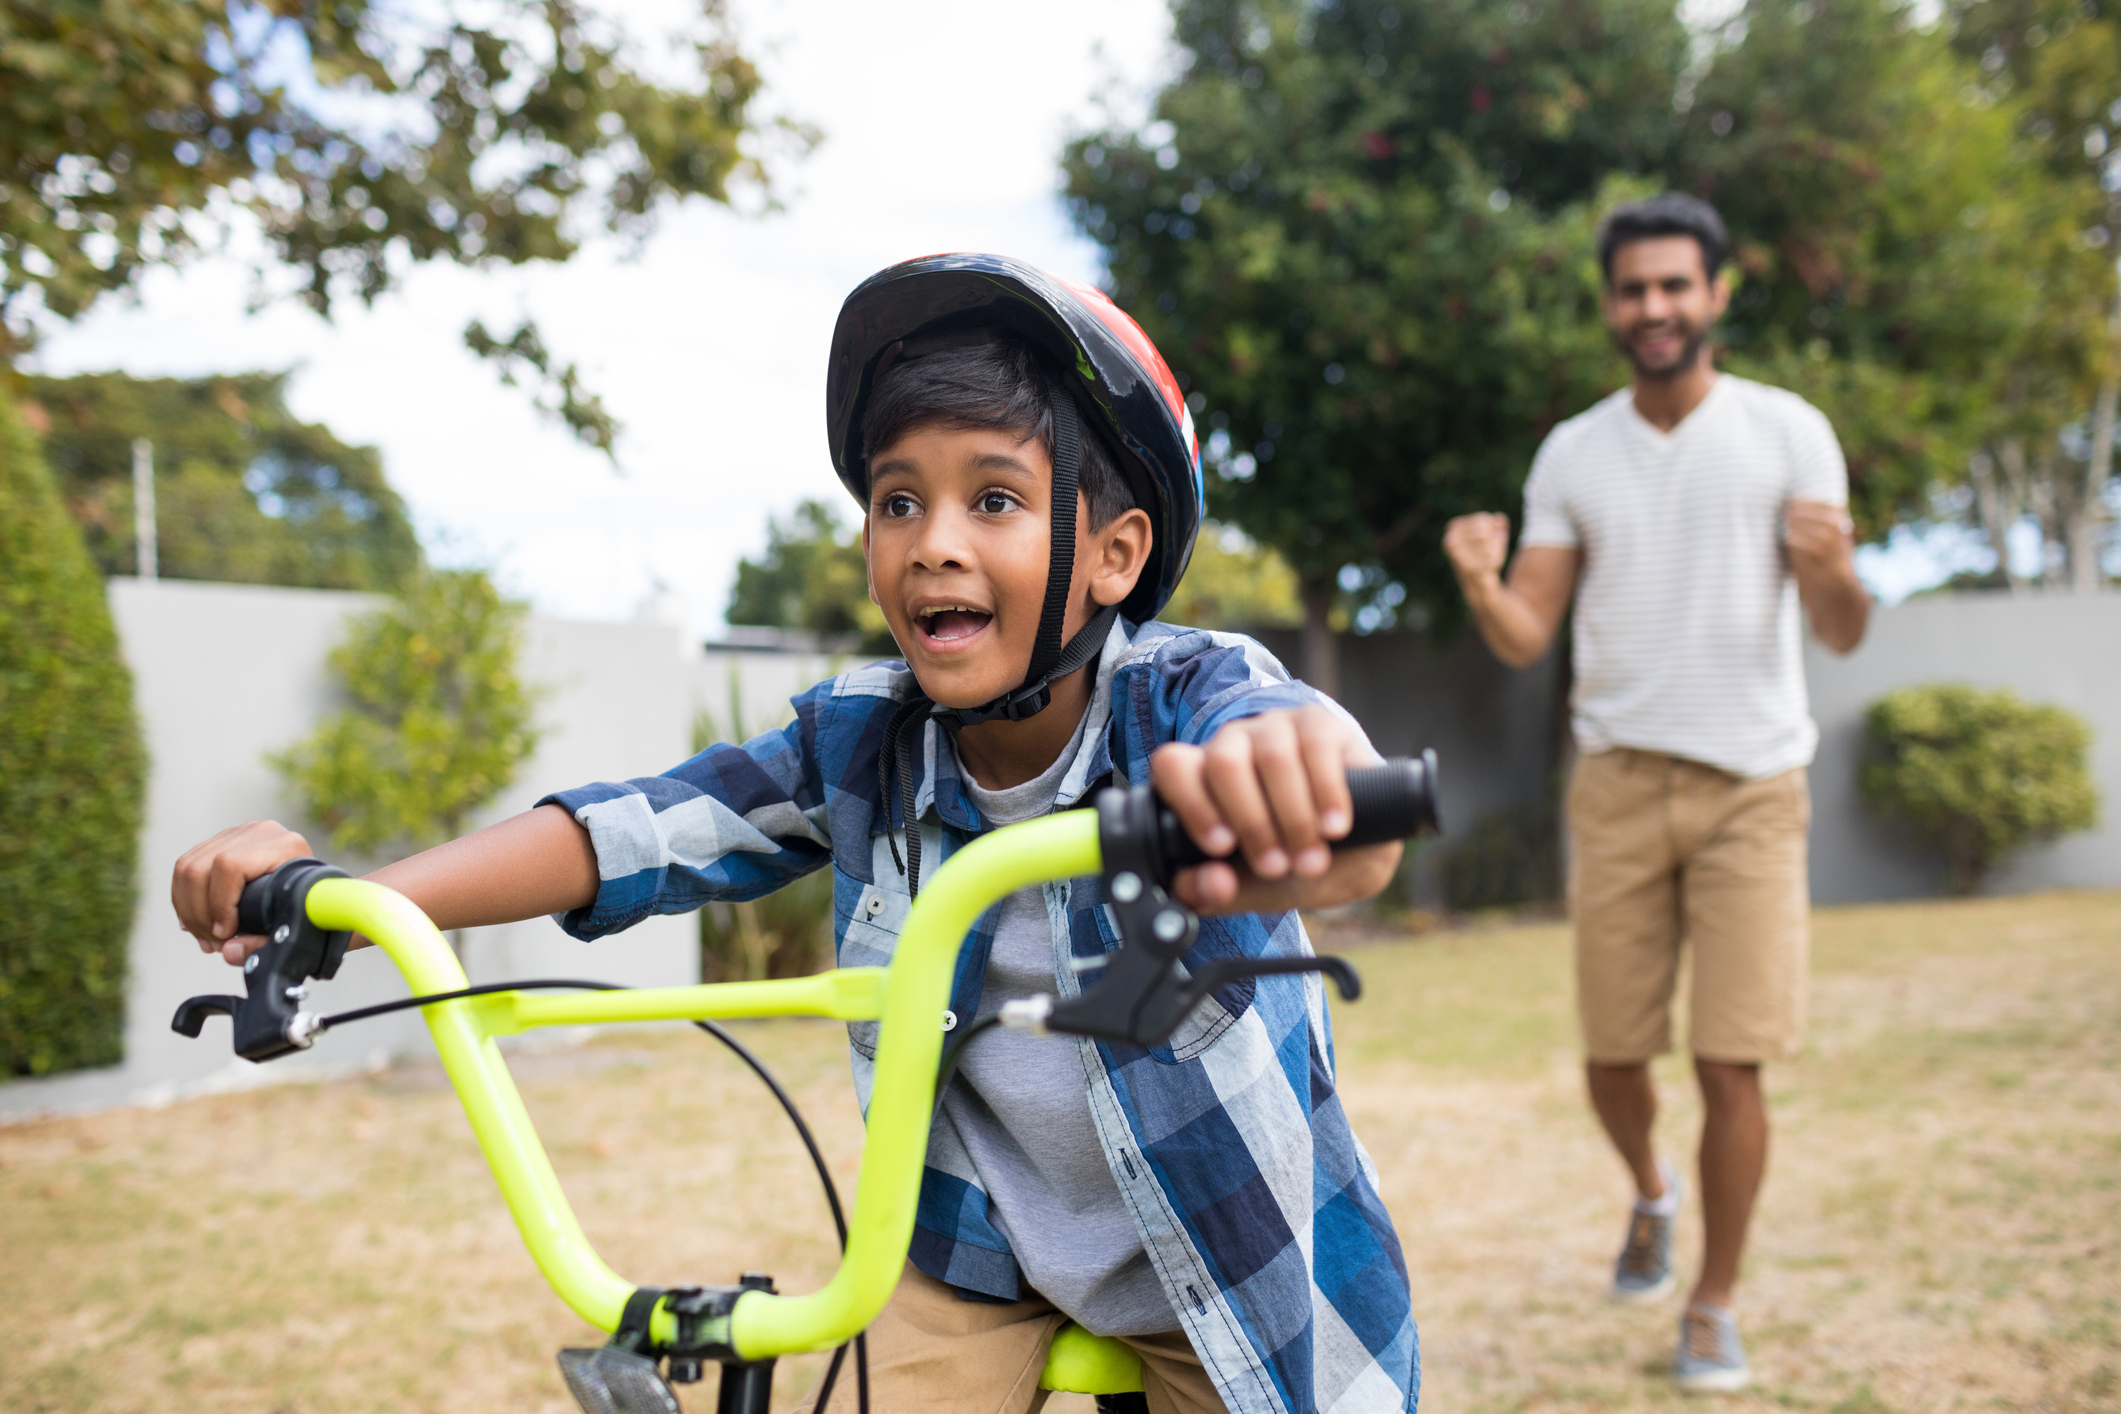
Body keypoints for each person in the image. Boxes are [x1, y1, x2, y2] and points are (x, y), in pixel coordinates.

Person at [171, 254, 1421, 1414]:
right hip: (978, 1253)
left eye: (994, 497)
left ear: (1111, 551)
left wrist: (1293, 786)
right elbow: (642, 829)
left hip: (1227, 1258)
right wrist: (346, 890)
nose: (933, 540)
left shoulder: (1188, 705)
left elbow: (1327, 792)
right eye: (897, 500)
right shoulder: (857, 741)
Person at [1440, 195, 1869, 1394]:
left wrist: (1836, 568)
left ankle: (1713, 1303)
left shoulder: (1790, 433)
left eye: (1678, 285)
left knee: (1732, 1065)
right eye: (1634, 288)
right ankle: (1650, 1190)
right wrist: (1481, 583)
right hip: (1618, 785)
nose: (1656, 307)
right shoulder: (1575, 452)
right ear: (1612, 304)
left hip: (1752, 789)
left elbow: (1839, 629)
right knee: (1614, 1058)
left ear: (1718, 294)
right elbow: (1529, 630)